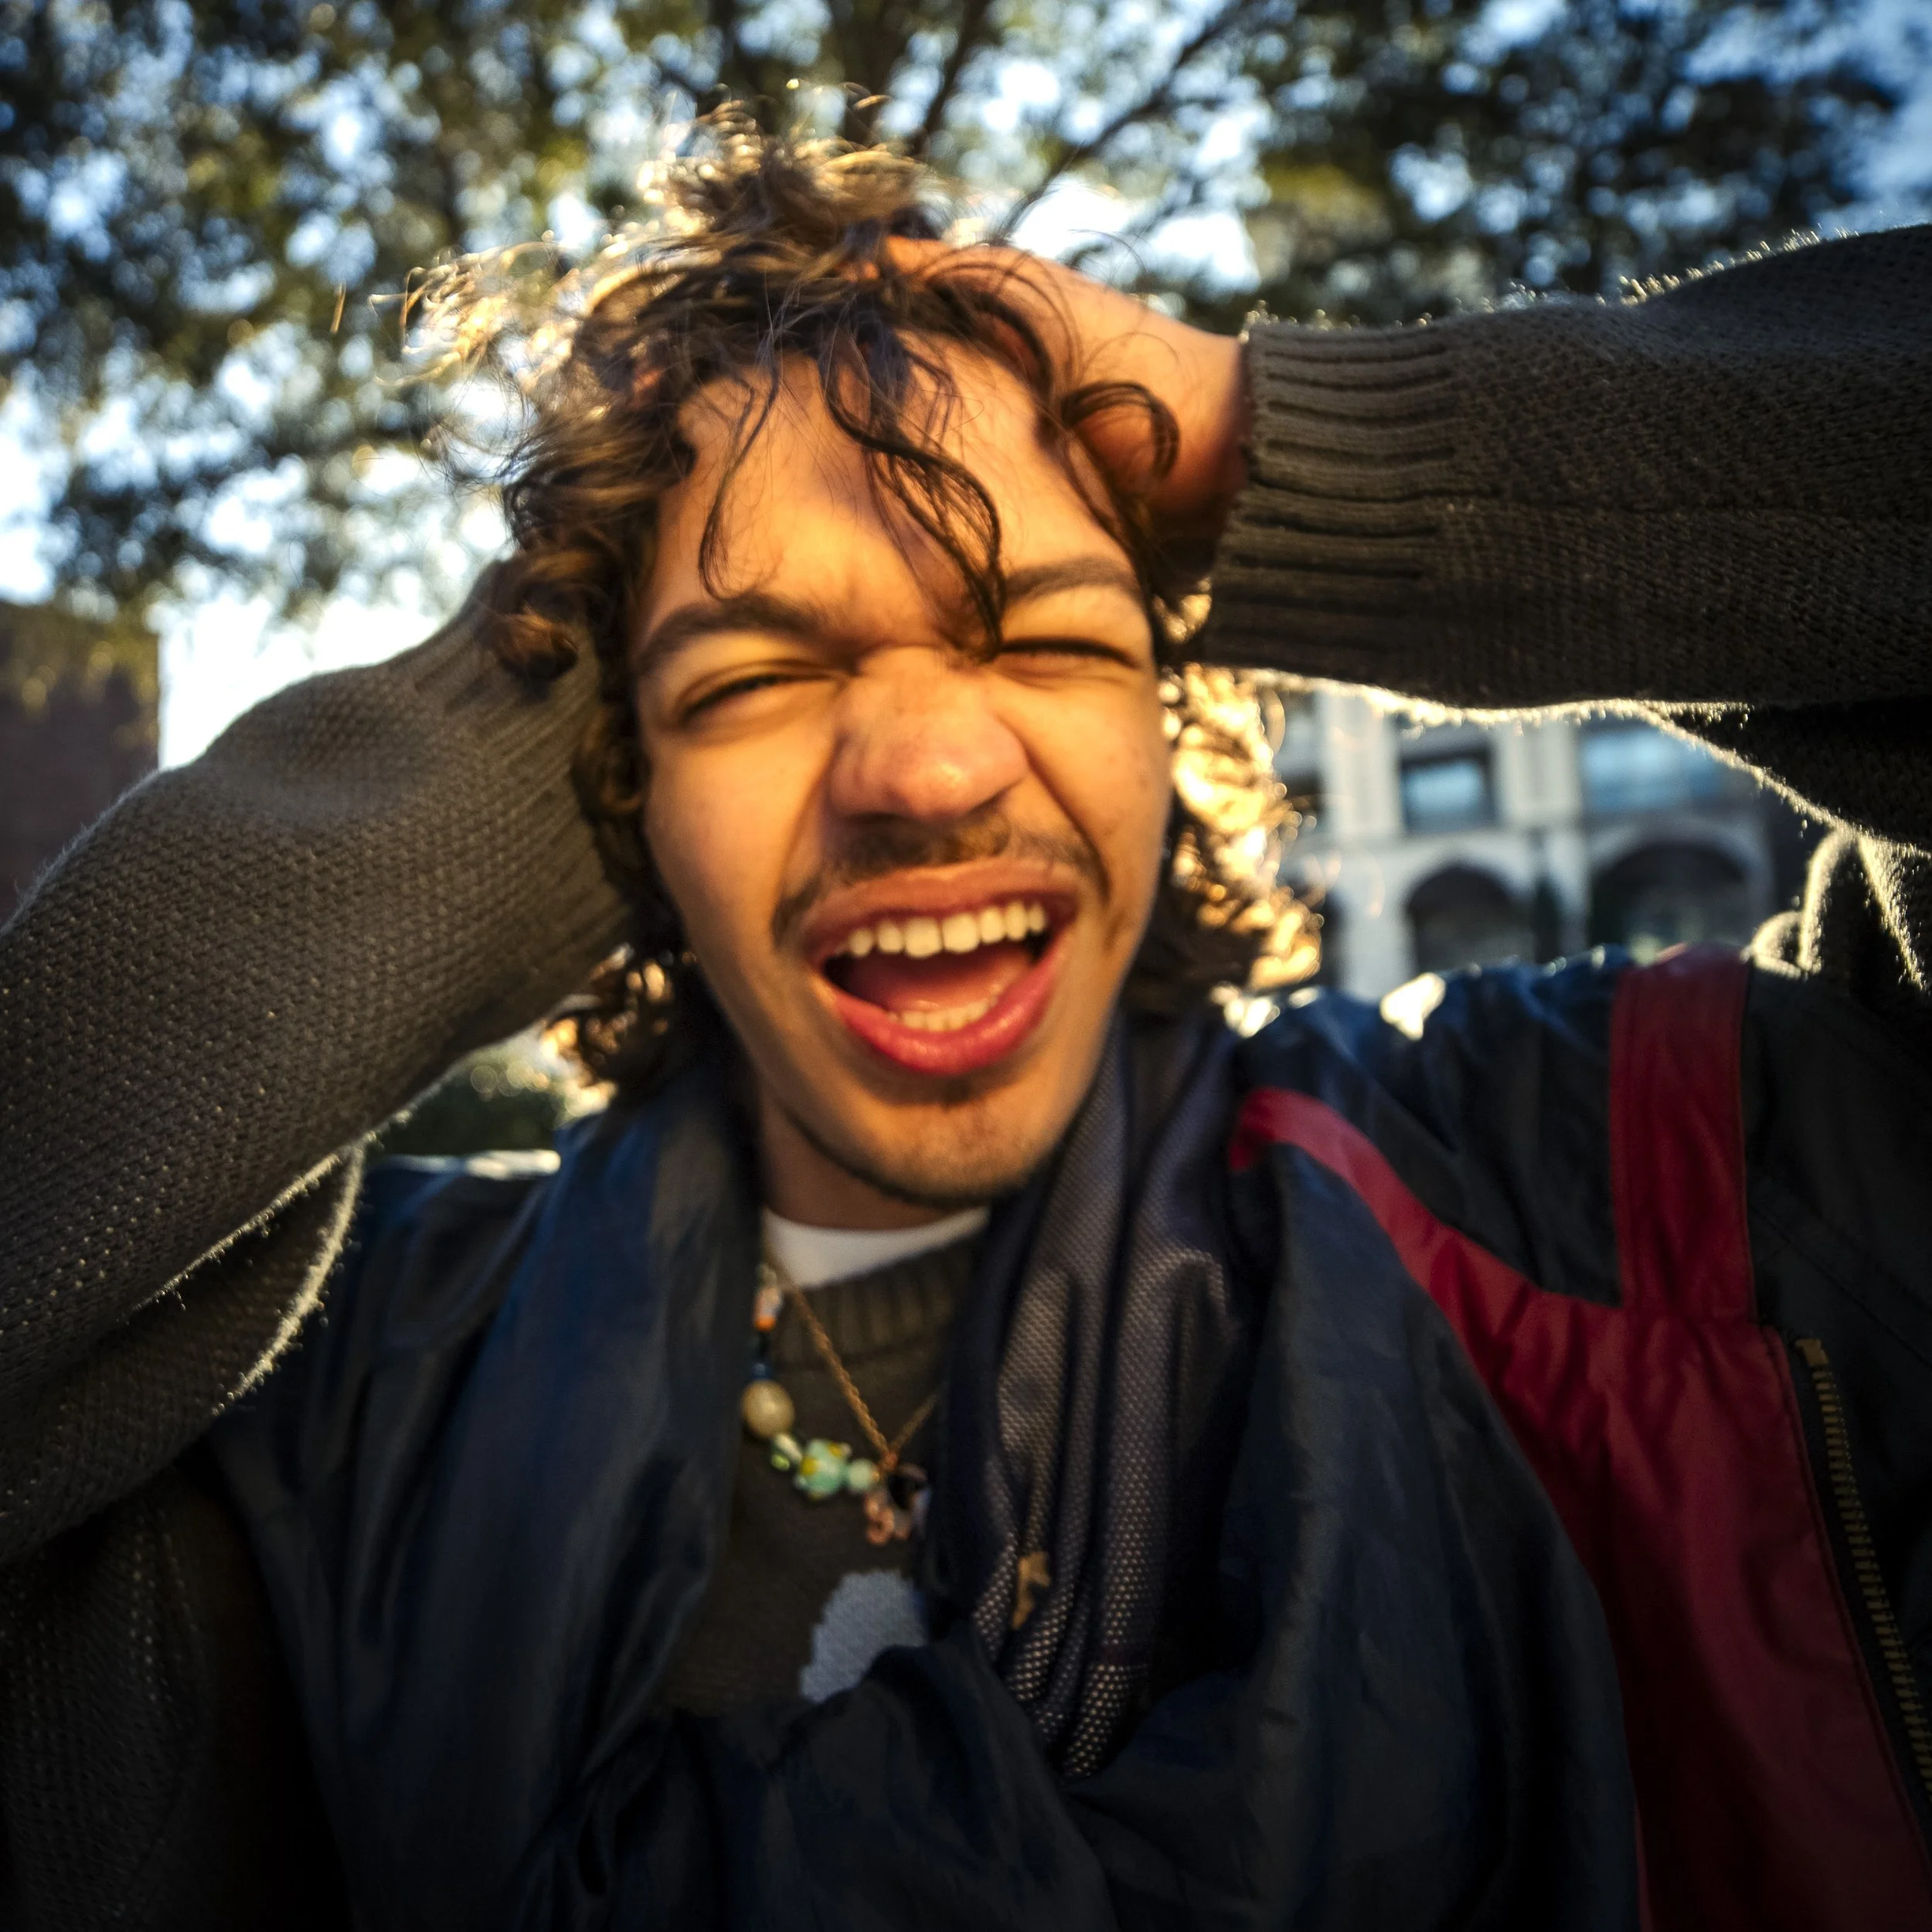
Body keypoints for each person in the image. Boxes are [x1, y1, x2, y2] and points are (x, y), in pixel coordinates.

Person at [2, 117, 1928, 1932]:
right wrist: (586, 693)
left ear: (1168, 737)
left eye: (1050, 638)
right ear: (605, 790)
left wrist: (1263, 440)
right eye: (755, 678)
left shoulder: (1598, 1167)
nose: (924, 765)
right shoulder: (334, 1412)